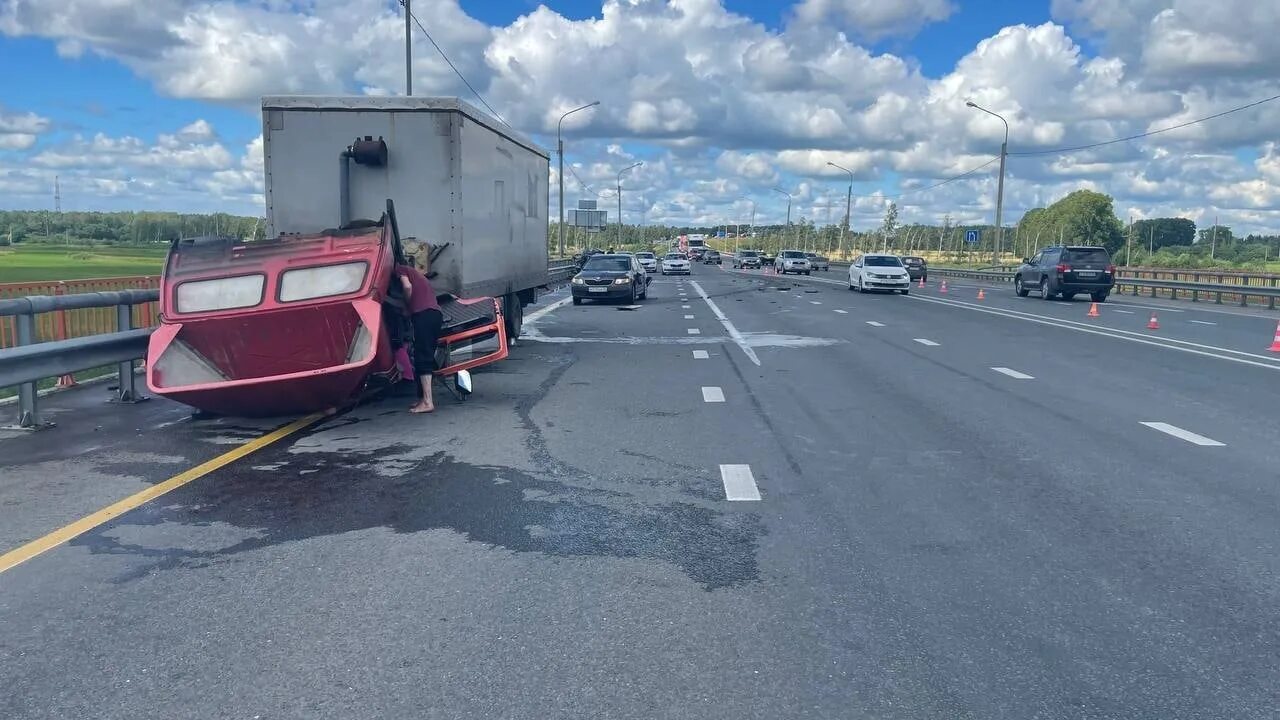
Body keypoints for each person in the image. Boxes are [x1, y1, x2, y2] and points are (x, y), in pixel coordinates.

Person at [394, 256, 443, 414]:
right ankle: (423, 399)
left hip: (424, 314)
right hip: (434, 314)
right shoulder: (417, 274)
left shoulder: (399, 269)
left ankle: (428, 402)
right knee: (425, 354)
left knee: (423, 356)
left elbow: (407, 287)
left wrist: (408, 306)